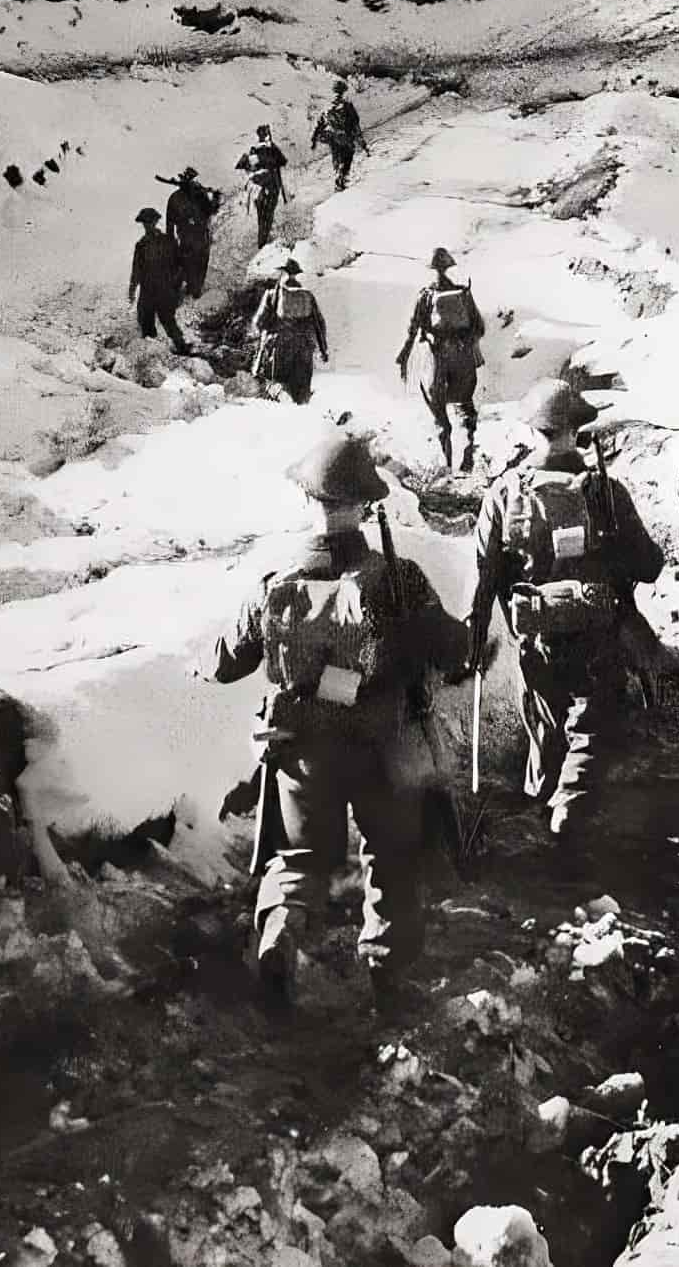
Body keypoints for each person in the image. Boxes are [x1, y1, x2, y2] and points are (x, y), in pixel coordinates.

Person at [200, 432, 469, 1013]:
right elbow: (453, 650)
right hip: (380, 746)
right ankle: (389, 979)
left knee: (296, 860)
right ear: (365, 505)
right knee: (391, 855)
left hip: (301, 748)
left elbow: (226, 663)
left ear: (309, 501)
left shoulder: (277, 581)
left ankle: (278, 937)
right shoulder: (399, 577)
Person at [472, 379, 663, 838]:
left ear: (531, 430)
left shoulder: (504, 492)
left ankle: (541, 821)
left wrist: (478, 637)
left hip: (534, 637)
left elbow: (485, 576)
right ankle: (569, 811)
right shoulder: (604, 491)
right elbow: (650, 565)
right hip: (597, 636)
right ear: (576, 430)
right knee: (590, 730)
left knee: (544, 728)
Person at [396, 246, 487, 472]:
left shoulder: (426, 295)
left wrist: (405, 353)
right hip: (462, 355)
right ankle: (468, 460)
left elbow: (414, 326)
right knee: (466, 407)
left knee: (438, 412)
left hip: (437, 354)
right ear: (448, 267)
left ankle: (447, 465)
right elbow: (479, 326)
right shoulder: (463, 293)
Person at [251, 258, 328, 404]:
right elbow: (319, 324)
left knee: (277, 388)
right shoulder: (308, 296)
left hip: (281, 348)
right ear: (296, 275)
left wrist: (263, 338)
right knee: (301, 392)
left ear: (283, 273)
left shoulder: (272, 294)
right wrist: (324, 350)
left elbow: (258, 323)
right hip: (304, 349)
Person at [127, 205, 191, 353]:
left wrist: (180, 285)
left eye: (150, 222)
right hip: (148, 290)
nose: (147, 225)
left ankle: (182, 348)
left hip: (164, 288)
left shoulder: (168, 241)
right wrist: (132, 290)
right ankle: (153, 351)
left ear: (155, 222)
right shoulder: (141, 245)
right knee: (145, 319)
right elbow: (136, 269)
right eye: (145, 222)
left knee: (168, 320)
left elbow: (180, 264)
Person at [162, 165, 223, 299]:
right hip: (193, 242)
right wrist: (216, 198)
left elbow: (169, 227)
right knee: (193, 276)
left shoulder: (183, 197)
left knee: (191, 275)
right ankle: (190, 298)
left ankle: (190, 298)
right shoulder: (195, 195)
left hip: (193, 241)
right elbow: (211, 211)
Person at [236, 124, 288, 248]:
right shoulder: (262, 150)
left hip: (263, 189)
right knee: (267, 216)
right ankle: (263, 242)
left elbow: (282, 161)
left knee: (264, 217)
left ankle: (263, 242)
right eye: (266, 134)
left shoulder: (261, 150)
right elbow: (281, 161)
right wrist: (272, 151)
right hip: (268, 187)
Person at [312, 79, 368, 192]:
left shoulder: (327, 108)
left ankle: (338, 178)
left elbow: (319, 125)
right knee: (347, 158)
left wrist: (314, 140)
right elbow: (355, 125)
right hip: (346, 138)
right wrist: (362, 144)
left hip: (333, 139)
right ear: (343, 92)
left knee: (337, 158)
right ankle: (341, 179)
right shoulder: (347, 106)